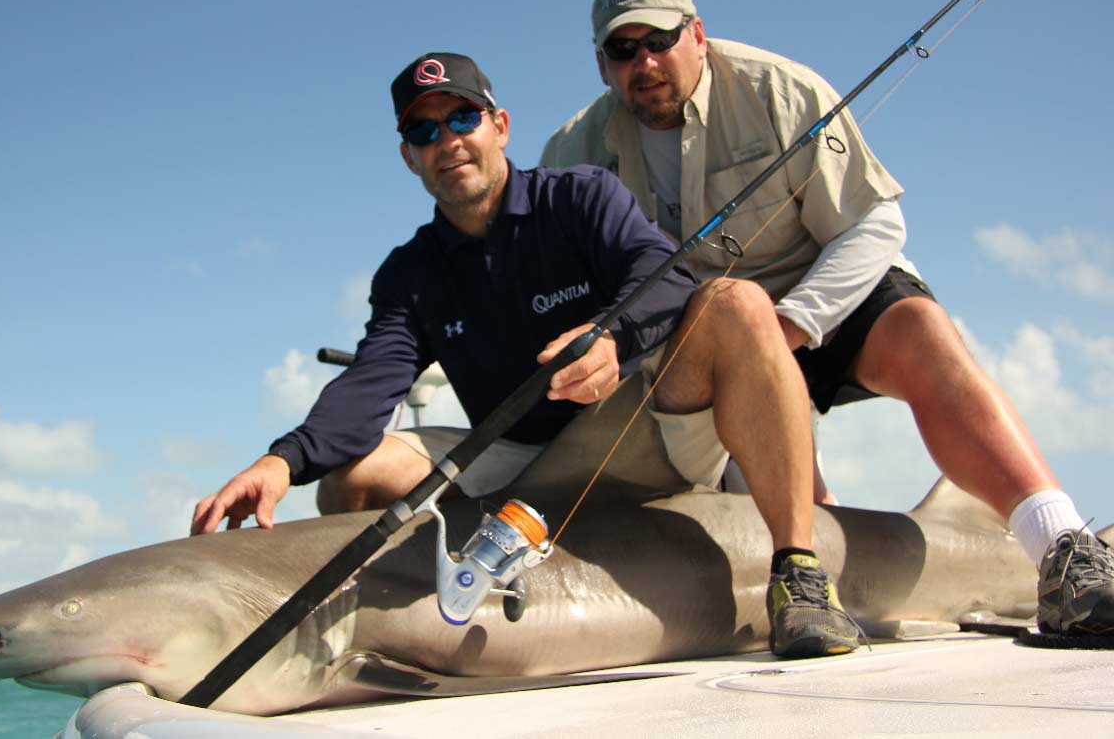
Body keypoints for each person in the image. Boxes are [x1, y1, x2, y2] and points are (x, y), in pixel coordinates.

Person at [192, 51, 862, 658]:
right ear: (408, 157)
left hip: (636, 428)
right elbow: (371, 382)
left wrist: (612, 337)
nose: (447, 141)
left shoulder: (578, 197)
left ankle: (797, 571)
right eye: (423, 132)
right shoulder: (409, 273)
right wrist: (284, 460)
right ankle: (439, 622)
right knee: (350, 479)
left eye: (462, 118)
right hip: (517, 463)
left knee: (735, 303)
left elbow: (663, 273)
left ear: (500, 125)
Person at [541, 0, 1114, 638]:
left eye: (660, 40)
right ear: (602, 64)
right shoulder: (571, 154)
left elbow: (874, 224)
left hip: (824, 289)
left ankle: (1065, 547)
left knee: (923, 331)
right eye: (622, 49)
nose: (645, 62)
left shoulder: (783, 91)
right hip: (709, 336)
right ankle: (810, 540)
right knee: (734, 323)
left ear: (697, 34)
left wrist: (796, 322)